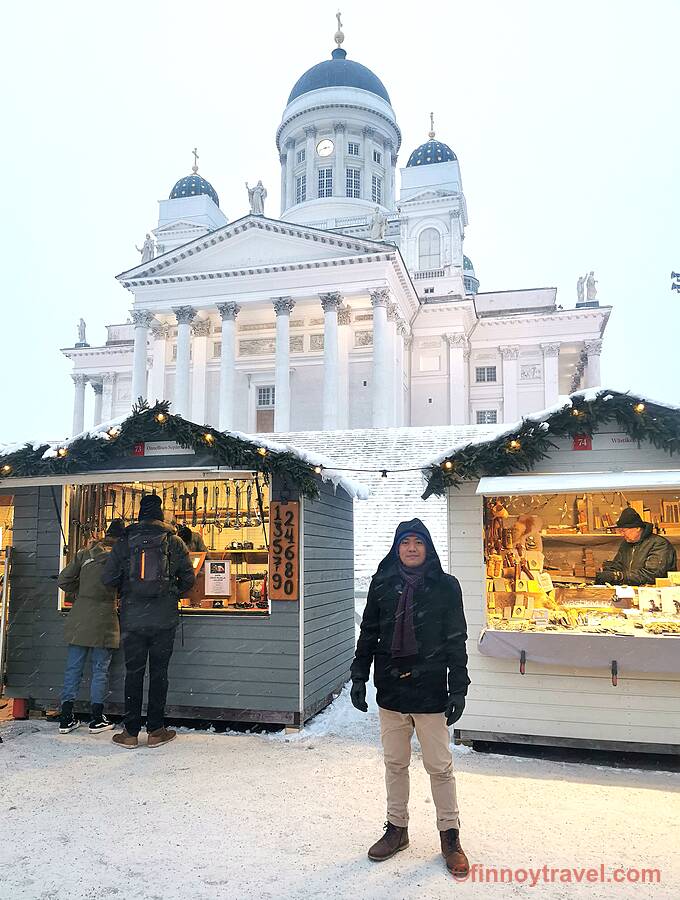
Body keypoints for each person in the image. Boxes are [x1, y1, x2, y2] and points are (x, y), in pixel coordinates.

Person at [350, 519, 471, 877]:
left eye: (418, 542)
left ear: (428, 547)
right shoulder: (382, 584)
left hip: (431, 688)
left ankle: (450, 835)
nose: (412, 548)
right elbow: (368, 632)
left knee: (439, 766)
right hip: (392, 688)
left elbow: (456, 639)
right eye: (406, 542)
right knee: (395, 763)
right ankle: (397, 828)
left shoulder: (446, 587)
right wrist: (359, 676)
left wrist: (458, 687)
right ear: (397, 548)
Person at [102, 494, 195, 749]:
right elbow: (189, 580)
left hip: (133, 620)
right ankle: (156, 730)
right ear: (161, 514)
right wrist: (171, 591)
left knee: (133, 673)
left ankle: (130, 732)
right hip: (164, 620)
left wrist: (128, 589)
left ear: (140, 514)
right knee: (159, 674)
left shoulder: (124, 542)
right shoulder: (174, 542)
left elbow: (108, 579)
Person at [56, 519, 126, 735]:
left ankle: (66, 717)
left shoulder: (85, 553)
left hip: (80, 616)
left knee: (73, 669)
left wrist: (83, 590)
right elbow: (126, 586)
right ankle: (97, 718)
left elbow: (63, 580)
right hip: (105, 618)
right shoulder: (122, 557)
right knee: (100, 671)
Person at [595, 508, 676, 585]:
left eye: (624, 531)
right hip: (632, 592)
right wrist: (607, 573)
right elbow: (617, 565)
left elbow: (652, 574)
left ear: (637, 528)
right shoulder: (625, 544)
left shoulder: (659, 544)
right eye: (620, 531)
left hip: (654, 594)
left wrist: (620, 576)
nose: (621, 534)